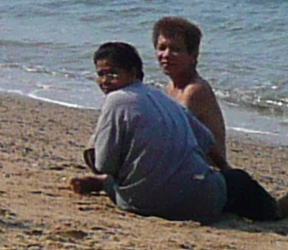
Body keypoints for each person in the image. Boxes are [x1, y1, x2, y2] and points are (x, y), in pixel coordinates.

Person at [153, 16, 288, 222]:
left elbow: (177, 136)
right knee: (238, 181)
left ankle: (273, 208)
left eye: (175, 49)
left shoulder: (195, 90)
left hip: (202, 171)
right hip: (194, 174)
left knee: (238, 182)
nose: (166, 55)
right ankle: (273, 208)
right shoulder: (172, 89)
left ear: (193, 55)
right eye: (162, 48)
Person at [73, 41, 224, 219]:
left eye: (113, 74)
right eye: (101, 75)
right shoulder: (162, 97)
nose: (105, 81)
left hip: (148, 203)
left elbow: (104, 164)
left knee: (107, 160)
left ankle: (103, 183)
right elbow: (206, 139)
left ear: (132, 73)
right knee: (233, 184)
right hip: (207, 200)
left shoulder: (116, 100)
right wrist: (225, 168)